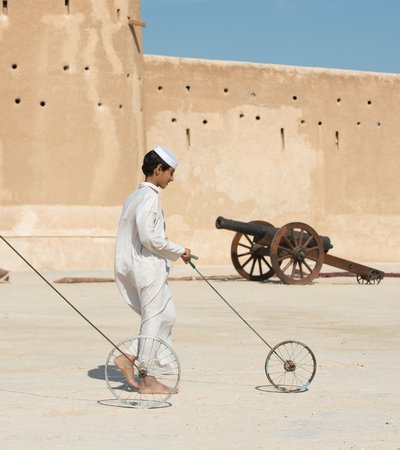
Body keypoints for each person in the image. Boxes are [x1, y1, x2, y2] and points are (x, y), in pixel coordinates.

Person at [114, 146, 190, 394]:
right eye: (170, 172)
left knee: (166, 317)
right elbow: (150, 238)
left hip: (140, 266)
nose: (172, 178)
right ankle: (147, 379)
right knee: (153, 319)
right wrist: (179, 250)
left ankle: (129, 356)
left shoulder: (134, 197)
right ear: (158, 169)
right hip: (147, 268)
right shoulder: (149, 198)